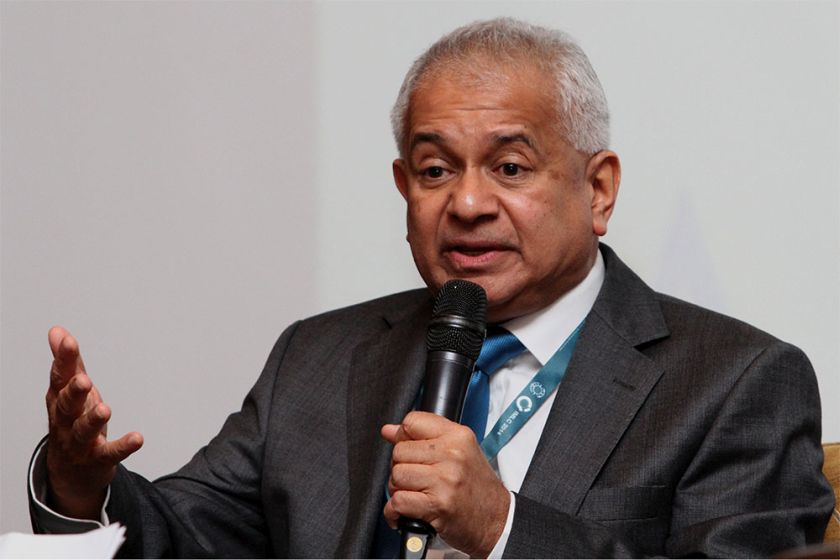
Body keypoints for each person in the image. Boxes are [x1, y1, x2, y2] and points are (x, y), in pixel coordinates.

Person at [29, 17, 833, 558]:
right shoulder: (320, 357)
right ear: (402, 187)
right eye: (435, 170)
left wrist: (503, 526)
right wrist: (80, 483)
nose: (469, 203)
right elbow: (186, 538)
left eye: (510, 168)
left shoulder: (735, 383)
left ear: (599, 190)